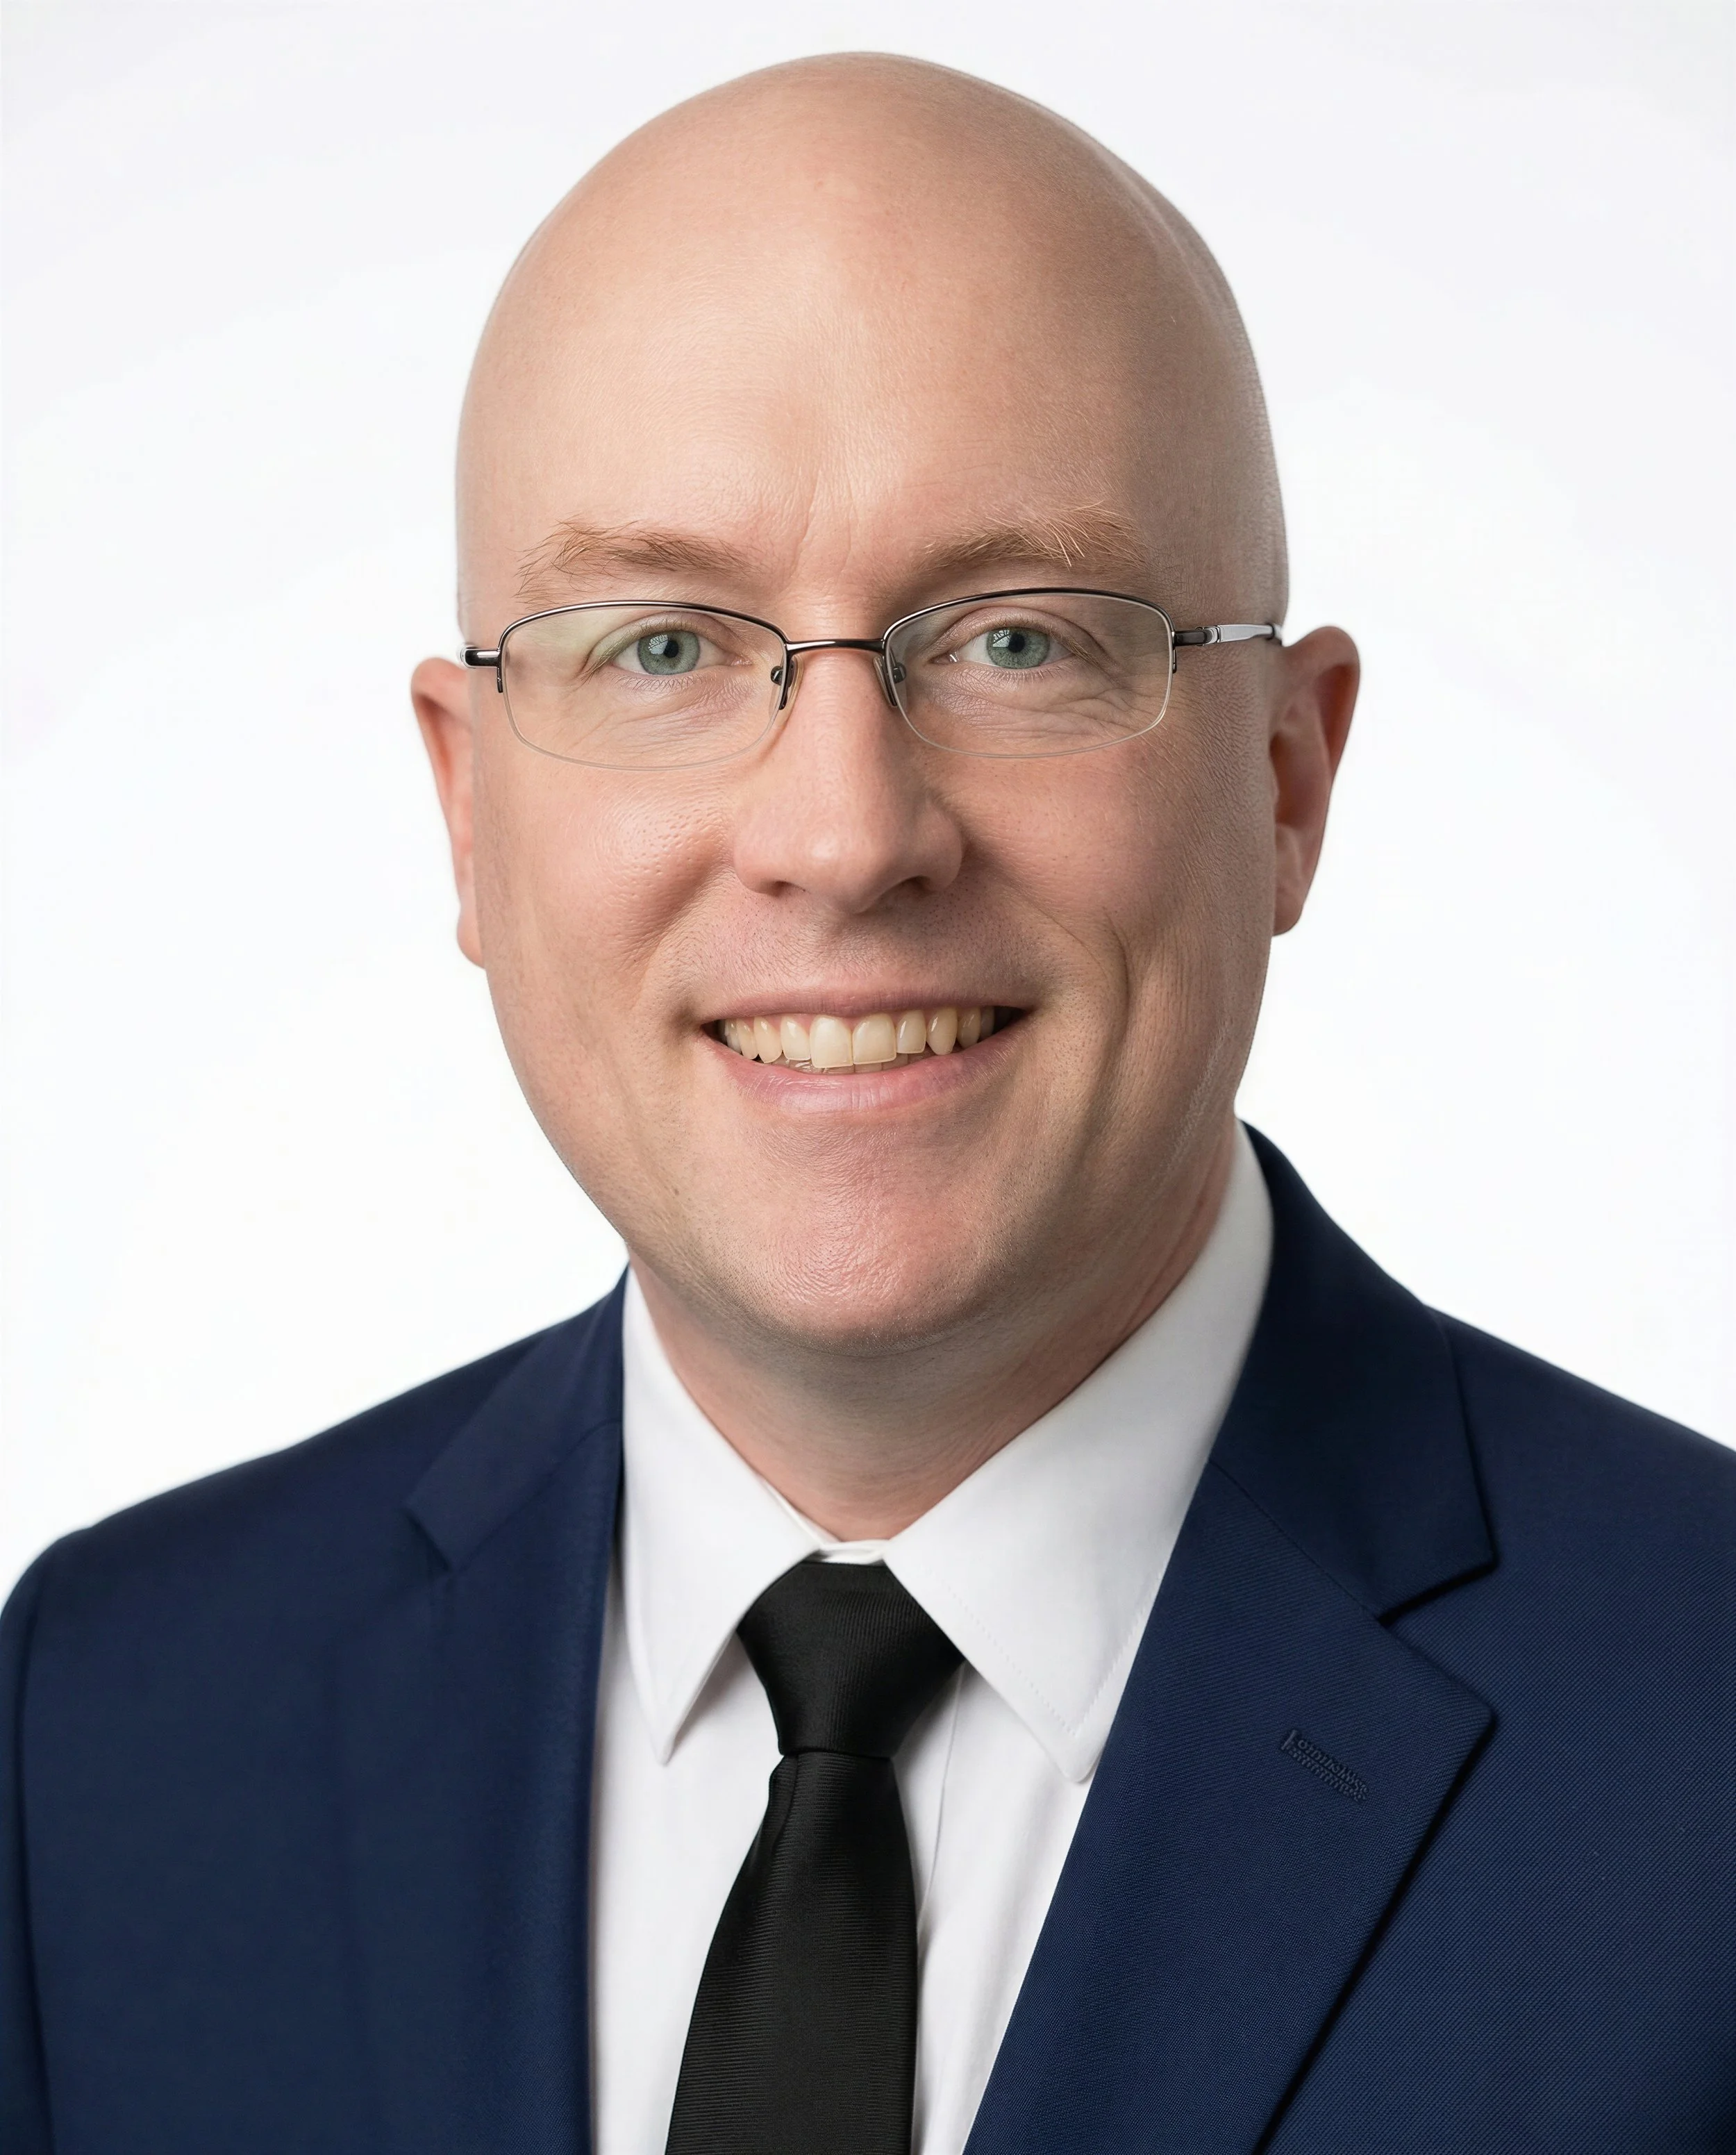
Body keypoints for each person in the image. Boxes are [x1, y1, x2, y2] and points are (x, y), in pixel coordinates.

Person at [3, 51, 1732, 2155]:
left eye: (1017, 636)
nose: (842, 835)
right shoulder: (107, 1735)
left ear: (1285, 778)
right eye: (658, 647)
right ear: (466, 814)